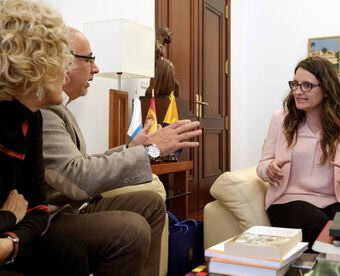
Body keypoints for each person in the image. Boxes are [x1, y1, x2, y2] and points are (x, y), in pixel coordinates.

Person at [40, 27, 202, 276]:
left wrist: (130, 148)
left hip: (73, 205)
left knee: (151, 203)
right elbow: (77, 178)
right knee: (131, 228)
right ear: (64, 60)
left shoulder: (58, 108)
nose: (96, 69)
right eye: (90, 59)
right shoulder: (43, 109)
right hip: (49, 217)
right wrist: (150, 149)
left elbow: (79, 163)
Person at [0, 0, 89, 275]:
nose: (66, 68)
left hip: (8, 241)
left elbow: (36, 208)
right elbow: (19, 210)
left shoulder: (32, 119)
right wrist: (8, 217)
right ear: (32, 63)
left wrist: (10, 242)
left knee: (69, 254)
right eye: (59, 57)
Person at [257, 57, 340, 248]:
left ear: (326, 89)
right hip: (288, 200)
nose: (297, 92)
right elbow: (262, 165)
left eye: (306, 86)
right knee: (318, 225)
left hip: (335, 201)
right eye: (295, 84)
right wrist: (270, 168)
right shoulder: (280, 119)